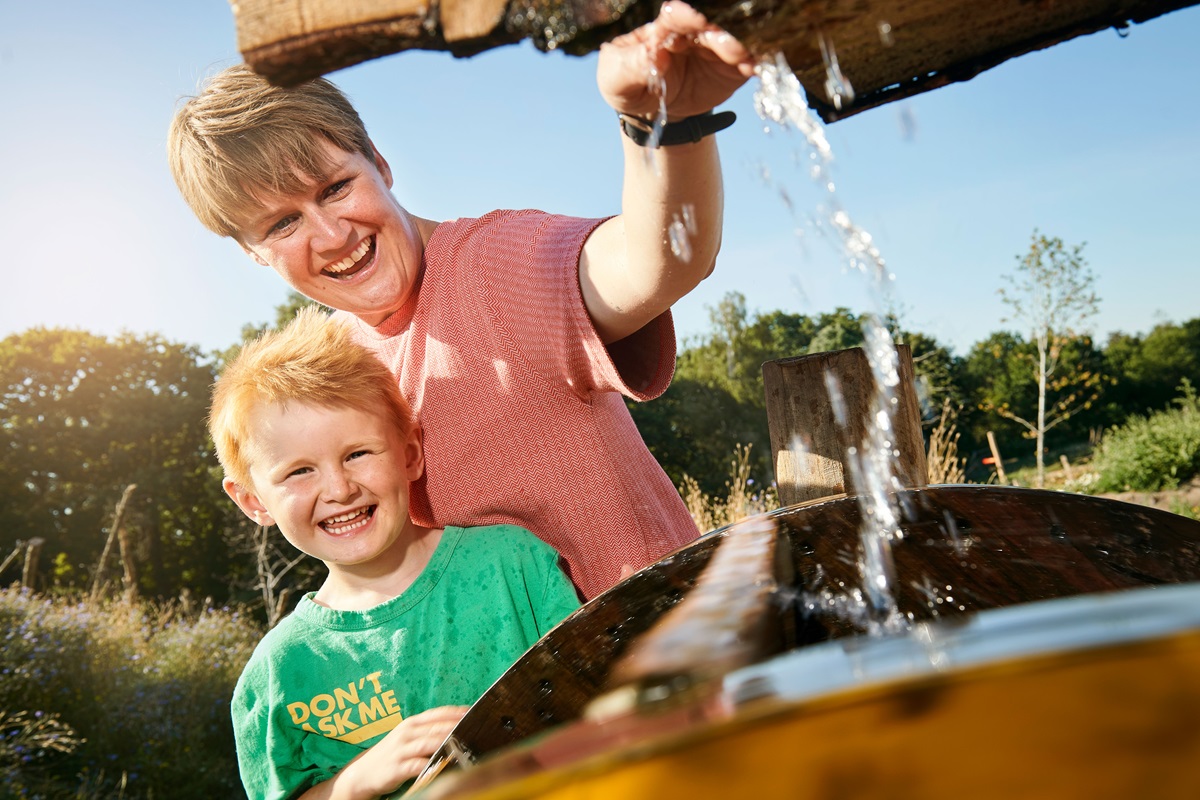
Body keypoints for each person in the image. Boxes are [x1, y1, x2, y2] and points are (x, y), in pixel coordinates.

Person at [170, 2, 757, 600]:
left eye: (336, 188)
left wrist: (664, 122)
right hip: (520, 693)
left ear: (379, 162)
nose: (332, 236)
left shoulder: (493, 266)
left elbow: (658, 260)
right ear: (250, 252)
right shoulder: (334, 374)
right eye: (281, 225)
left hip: (671, 661)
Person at [211, 307, 581, 799]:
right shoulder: (279, 673)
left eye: (357, 453)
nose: (339, 488)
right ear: (253, 500)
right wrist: (354, 782)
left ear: (409, 453)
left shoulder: (513, 564)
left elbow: (596, 703)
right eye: (299, 472)